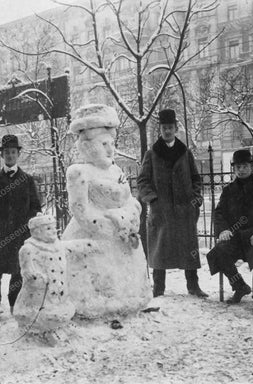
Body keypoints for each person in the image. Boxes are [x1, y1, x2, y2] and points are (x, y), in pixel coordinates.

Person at [61, 104, 152, 319]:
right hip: (95, 235)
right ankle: (96, 307)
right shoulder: (79, 172)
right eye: (104, 144)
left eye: (111, 144)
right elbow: (81, 210)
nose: (110, 150)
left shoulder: (117, 171)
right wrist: (110, 227)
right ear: (88, 146)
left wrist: (129, 218)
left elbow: (129, 199)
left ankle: (128, 304)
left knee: (127, 281)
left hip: (122, 235)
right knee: (99, 282)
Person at [137, 108, 207, 298]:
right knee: (160, 249)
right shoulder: (152, 154)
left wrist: (195, 199)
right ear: (160, 130)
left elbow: (196, 178)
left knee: (188, 249)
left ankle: (193, 286)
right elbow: (142, 181)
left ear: (176, 129)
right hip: (162, 210)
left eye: (170, 127)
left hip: (185, 209)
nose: (167, 131)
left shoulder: (185, 153)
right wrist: (153, 200)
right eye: (163, 128)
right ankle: (158, 288)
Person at [207, 149, 253, 316]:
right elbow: (219, 213)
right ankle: (239, 286)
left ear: (251, 166)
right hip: (237, 239)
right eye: (238, 166)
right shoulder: (228, 191)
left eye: (245, 166)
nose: (241, 170)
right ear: (234, 168)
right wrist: (223, 230)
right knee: (219, 252)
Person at [0, 134, 41, 320]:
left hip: (19, 235)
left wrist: (25, 227)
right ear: (2, 155)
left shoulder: (27, 180)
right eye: (6, 152)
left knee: (17, 271)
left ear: (18, 155)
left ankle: (15, 304)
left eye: (13, 152)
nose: (9, 156)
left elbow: (35, 207)